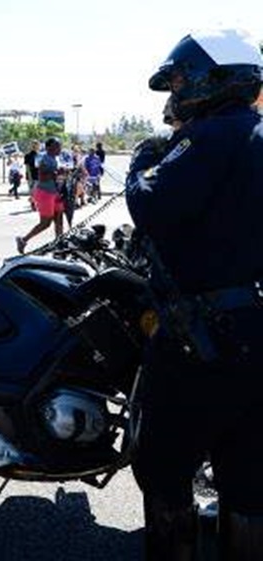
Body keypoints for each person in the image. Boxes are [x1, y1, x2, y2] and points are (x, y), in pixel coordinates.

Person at [125, 29, 263, 560]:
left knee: (163, 469)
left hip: (202, 343)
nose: (175, 93)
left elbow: (150, 206)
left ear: (218, 78)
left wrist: (142, 160)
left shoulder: (211, 135)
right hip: (256, 336)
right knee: (250, 479)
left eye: (181, 80)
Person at [16, 137, 65, 253]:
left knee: (59, 220)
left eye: (60, 146)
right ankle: (23, 240)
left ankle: (60, 244)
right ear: (48, 147)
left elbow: (56, 175)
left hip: (55, 193)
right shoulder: (44, 158)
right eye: (56, 146)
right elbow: (42, 176)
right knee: (45, 223)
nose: (59, 148)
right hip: (45, 193)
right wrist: (57, 173)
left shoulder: (55, 159)